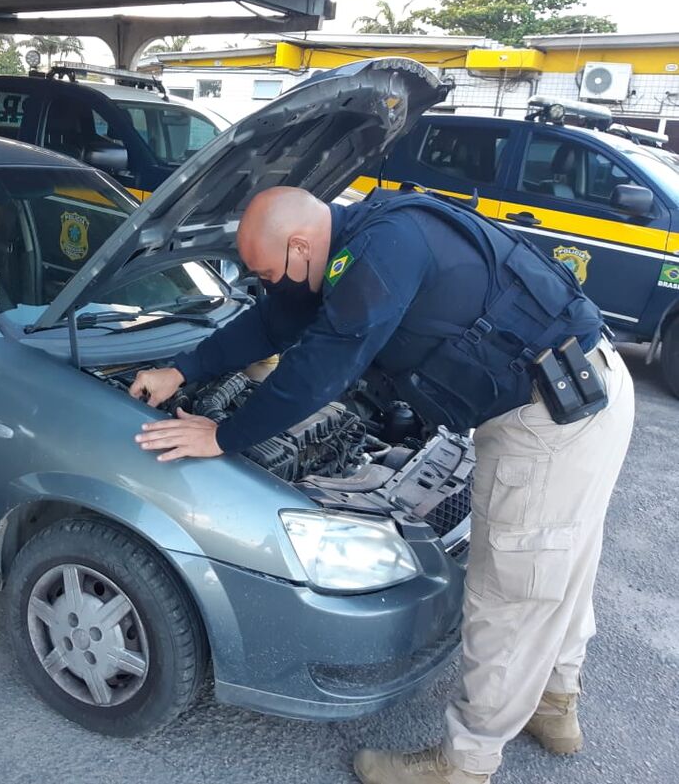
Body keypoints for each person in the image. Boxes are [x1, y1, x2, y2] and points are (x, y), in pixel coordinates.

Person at [130, 186, 635, 784]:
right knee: (562, 564)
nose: (268, 284)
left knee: (513, 588)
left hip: (550, 416)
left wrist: (224, 436)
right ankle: (553, 706)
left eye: (268, 273)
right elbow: (272, 321)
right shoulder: (346, 245)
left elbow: (320, 370)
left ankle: (464, 764)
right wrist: (183, 368)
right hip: (570, 392)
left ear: (299, 246)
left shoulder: (386, 247)